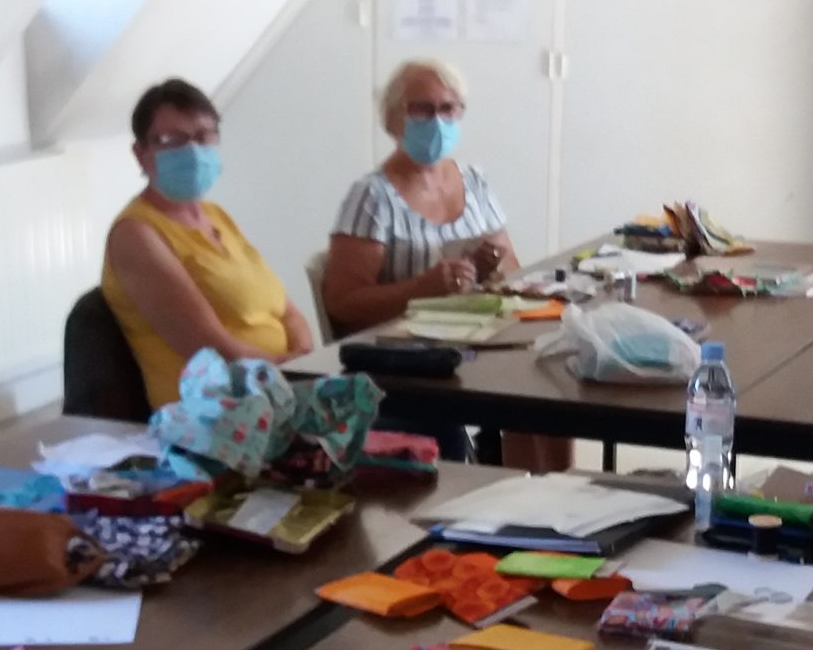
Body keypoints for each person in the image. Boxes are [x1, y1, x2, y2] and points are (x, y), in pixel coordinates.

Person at [101, 78, 313, 410]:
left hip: (278, 389)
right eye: (171, 140)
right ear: (141, 154)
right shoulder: (136, 234)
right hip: (213, 412)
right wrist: (289, 372)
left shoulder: (216, 216)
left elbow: (288, 311)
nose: (192, 151)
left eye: (203, 137)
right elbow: (210, 347)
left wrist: (304, 357)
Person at [321, 59, 523, 335]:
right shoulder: (372, 197)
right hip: (407, 347)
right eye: (421, 109)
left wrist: (489, 268)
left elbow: (513, 269)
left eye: (447, 108)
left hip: (478, 333)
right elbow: (342, 304)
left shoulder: (475, 181)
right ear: (392, 118)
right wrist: (420, 289)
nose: (436, 121)